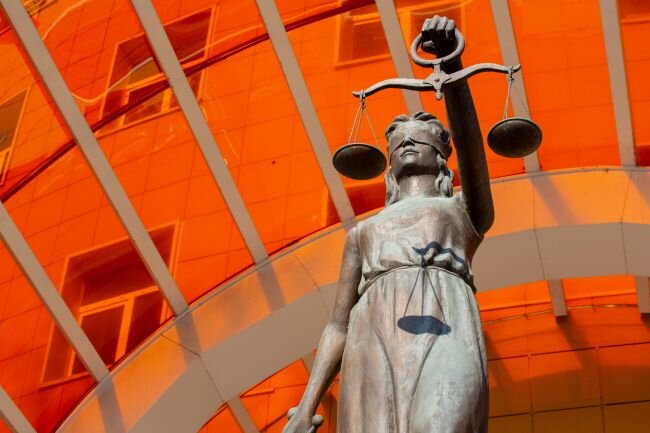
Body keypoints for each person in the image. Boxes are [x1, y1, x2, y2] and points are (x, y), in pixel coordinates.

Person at [282, 15, 493, 433]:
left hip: (448, 323)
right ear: (390, 164)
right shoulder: (362, 233)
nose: (408, 145)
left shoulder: (462, 211)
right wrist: (306, 406)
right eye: (400, 143)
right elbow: (337, 324)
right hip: (371, 336)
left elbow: (473, 152)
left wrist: (451, 68)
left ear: (441, 157)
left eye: (419, 139)